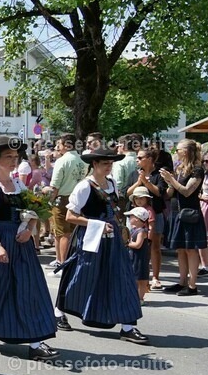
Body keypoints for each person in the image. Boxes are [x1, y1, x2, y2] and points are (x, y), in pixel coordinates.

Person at [0, 142, 58, 359]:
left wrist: (30, 229)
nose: (14, 160)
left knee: (29, 289)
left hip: (20, 242)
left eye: (15, 156)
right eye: (8, 156)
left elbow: (33, 210)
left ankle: (36, 342)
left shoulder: (18, 184)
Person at [54, 148, 148, 344]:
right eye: (105, 163)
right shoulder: (84, 186)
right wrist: (96, 224)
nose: (109, 166)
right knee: (80, 276)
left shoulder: (111, 183)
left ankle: (128, 326)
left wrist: (120, 228)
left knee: (121, 278)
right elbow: (71, 216)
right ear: (95, 164)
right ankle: (59, 311)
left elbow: (113, 211)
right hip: (90, 238)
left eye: (110, 163)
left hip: (111, 239)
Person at [159, 140, 207, 296]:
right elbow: (171, 193)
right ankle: (182, 282)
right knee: (180, 249)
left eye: (177, 149)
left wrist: (172, 179)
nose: (175, 152)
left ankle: (192, 285)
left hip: (189, 212)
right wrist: (168, 182)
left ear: (185, 152)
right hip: (176, 212)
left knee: (190, 250)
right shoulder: (179, 168)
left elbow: (187, 191)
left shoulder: (197, 170)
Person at [45, 134, 88, 267]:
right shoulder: (83, 161)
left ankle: (63, 263)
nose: (58, 147)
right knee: (72, 232)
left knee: (62, 232)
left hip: (63, 199)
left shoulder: (62, 161)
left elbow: (55, 185)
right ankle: (61, 259)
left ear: (67, 145)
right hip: (80, 198)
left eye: (59, 144)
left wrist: (49, 199)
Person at [125, 207, 151, 305]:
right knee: (133, 278)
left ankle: (140, 298)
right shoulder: (133, 230)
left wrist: (127, 244)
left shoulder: (141, 231)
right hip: (133, 257)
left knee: (141, 279)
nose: (129, 218)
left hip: (140, 259)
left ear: (137, 218)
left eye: (131, 216)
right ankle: (133, 296)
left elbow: (137, 245)